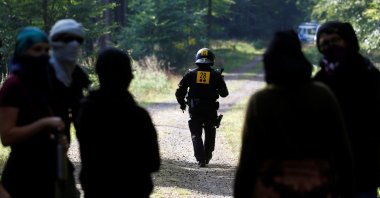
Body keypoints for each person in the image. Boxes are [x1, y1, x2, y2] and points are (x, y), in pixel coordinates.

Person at [233, 30, 354, 198]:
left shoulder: (260, 101)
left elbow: (249, 158)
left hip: (272, 188)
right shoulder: (323, 95)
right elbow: (341, 151)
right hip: (318, 188)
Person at [0, 27, 78, 198]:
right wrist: (44, 124)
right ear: (22, 51)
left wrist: (57, 140)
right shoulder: (13, 86)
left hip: (49, 173)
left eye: (46, 50)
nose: (43, 54)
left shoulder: (41, 82)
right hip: (24, 175)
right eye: (36, 49)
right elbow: (7, 136)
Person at [75, 47, 161, 198]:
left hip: (96, 190)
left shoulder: (86, 112)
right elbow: (154, 163)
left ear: (99, 74)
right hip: (133, 191)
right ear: (128, 76)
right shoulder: (139, 116)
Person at [313, 21, 380, 198]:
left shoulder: (369, 75)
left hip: (364, 167)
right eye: (324, 43)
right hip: (328, 171)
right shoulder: (319, 81)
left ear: (349, 41)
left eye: (335, 40)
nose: (330, 46)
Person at [175, 48, 229, 167]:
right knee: (210, 131)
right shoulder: (216, 75)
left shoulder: (190, 74)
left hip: (195, 109)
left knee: (196, 133)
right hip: (210, 109)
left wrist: (182, 104)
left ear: (197, 59)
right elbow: (224, 94)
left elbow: (179, 92)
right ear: (212, 60)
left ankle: (201, 160)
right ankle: (207, 156)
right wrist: (219, 82)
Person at [48, 18, 90, 142]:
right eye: (67, 39)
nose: (74, 44)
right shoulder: (41, 73)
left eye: (78, 40)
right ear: (54, 41)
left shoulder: (78, 75)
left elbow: (79, 116)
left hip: (63, 144)